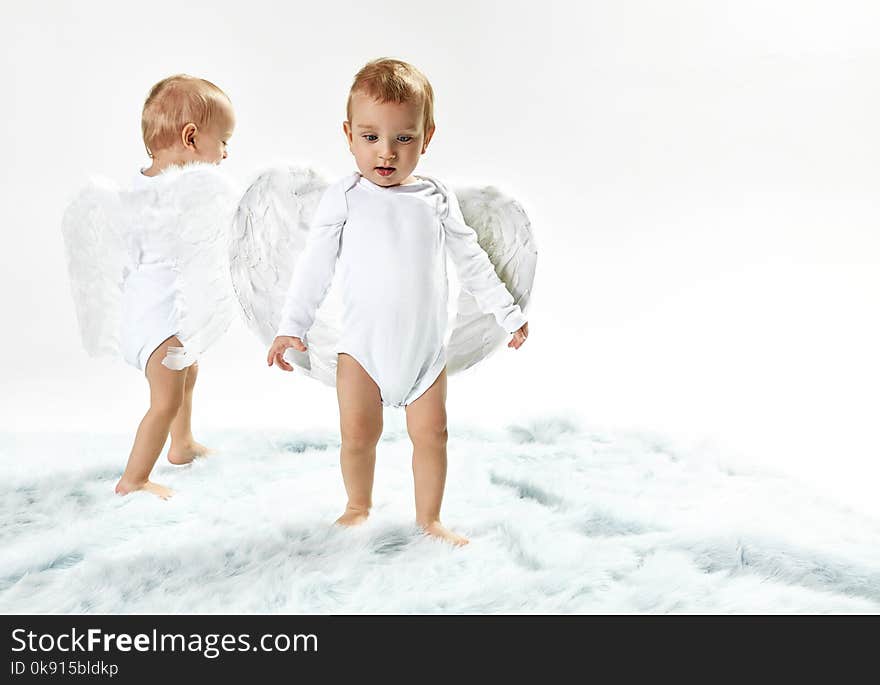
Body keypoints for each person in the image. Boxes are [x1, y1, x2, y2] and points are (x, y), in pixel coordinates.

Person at [267, 59, 529, 545]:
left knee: (433, 437)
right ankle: (357, 506)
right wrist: (292, 326)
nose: (385, 152)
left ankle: (429, 519)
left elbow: (471, 260)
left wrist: (508, 313)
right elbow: (315, 267)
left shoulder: (436, 197)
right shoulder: (343, 196)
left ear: (426, 137)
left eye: (403, 139)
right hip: (362, 352)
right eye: (370, 137)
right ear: (348, 135)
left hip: (425, 355)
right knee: (357, 437)